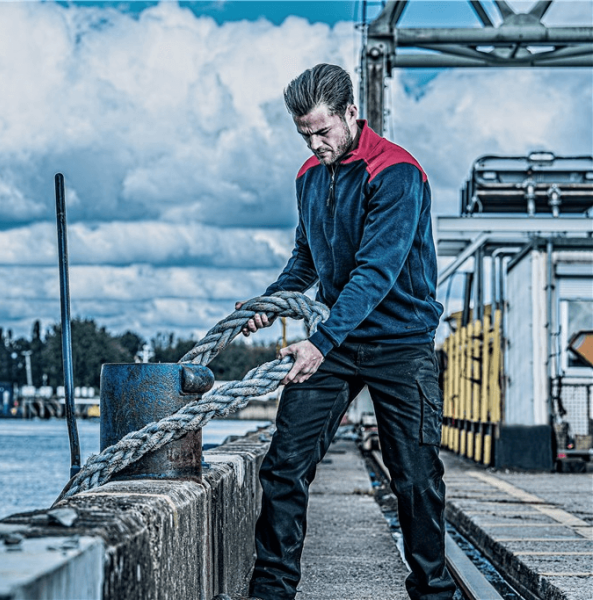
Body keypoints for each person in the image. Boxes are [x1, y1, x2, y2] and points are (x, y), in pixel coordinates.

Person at [239, 64, 457, 600]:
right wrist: (271, 301)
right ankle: (271, 592)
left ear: (351, 113)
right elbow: (306, 257)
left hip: (400, 343)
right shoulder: (309, 177)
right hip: (337, 340)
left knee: (416, 479)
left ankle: (433, 593)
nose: (315, 144)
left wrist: (319, 342)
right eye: (304, 135)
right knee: (284, 466)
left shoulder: (397, 173)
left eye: (322, 131)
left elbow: (375, 272)